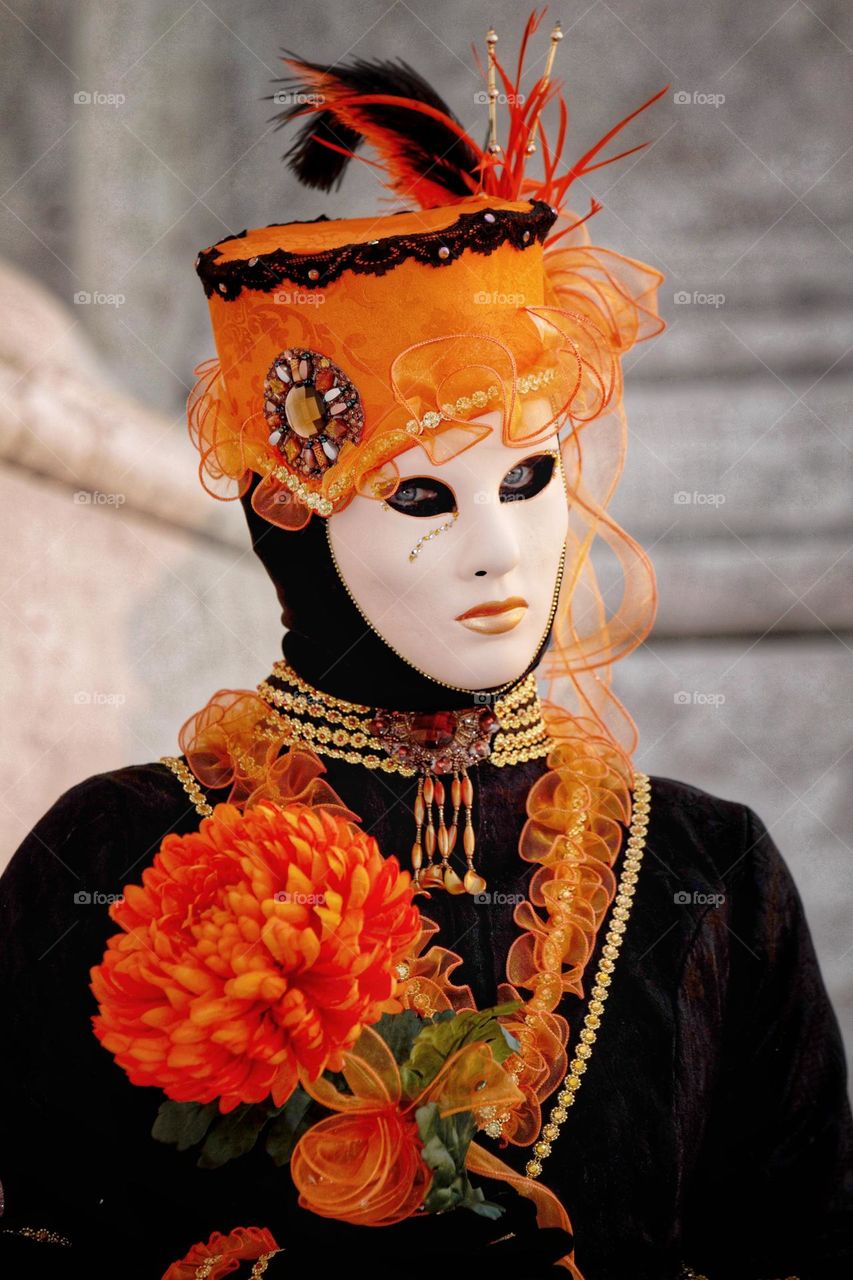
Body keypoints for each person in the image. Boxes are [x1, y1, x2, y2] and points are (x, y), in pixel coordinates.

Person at [1, 14, 850, 1280]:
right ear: (289, 515)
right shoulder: (118, 853)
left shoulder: (707, 871)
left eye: (527, 478)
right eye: (419, 497)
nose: (500, 552)